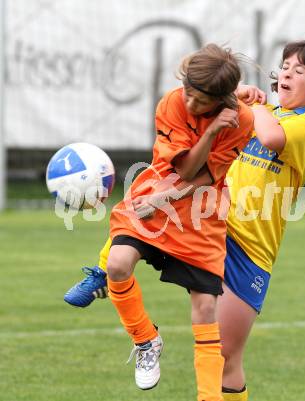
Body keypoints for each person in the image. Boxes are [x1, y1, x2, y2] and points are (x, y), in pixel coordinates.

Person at [65, 40, 305, 401]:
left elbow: (270, 137)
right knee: (150, 199)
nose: (286, 72)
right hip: (207, 218)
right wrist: (235, 95)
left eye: (299, 70)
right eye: (285, 65)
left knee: (226, 356)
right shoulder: (257, 107)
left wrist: (248, 103)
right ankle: (104, 274)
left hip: (249, 246)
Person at [85, 43, 254, 401]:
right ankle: (145, 339)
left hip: (200, 215)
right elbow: (184, 168)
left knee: (206, 307)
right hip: (152, 199)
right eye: (189, 92)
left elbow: (207, 176)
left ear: (223, 98)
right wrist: (208, 133)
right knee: (116, 264)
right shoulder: (171, 103)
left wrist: (213, 134)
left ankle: (209, 398)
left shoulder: (244, 121)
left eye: (202, 100)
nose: (191, 103)